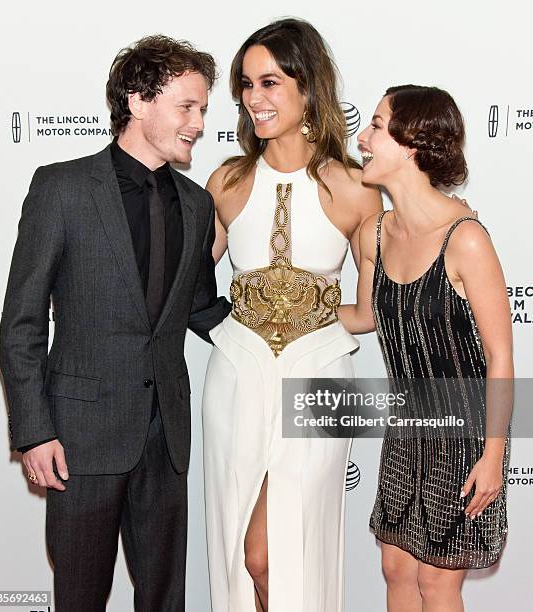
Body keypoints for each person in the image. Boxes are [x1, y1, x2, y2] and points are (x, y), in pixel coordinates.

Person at [0, 35, 230, 612]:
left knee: (164, 601)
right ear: (138, 101)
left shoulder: (198, 205)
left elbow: (202, 305)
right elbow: (23, 322)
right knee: (79, 597)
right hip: (79, 437)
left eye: (203, 109)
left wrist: (290, 332)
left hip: (165, 436)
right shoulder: (63, 188)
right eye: (187, 107)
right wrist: (33, 430)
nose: (199, 123)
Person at [202, 18, 382, 612]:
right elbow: (182, 283)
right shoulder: (226, 182)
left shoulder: (355, 188)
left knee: (275, 552)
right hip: (237, 375)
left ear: (308, 87)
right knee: (240, 553)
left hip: (321, 380)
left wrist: (322, 322)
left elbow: (375, 307)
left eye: (270, 82)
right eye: (247, 85)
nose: (255, 98)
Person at [340, 85, 511, 611]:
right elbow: (364, 316)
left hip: (464, 434)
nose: (362, 139)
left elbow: (501, 357)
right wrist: (280, 308)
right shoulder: (375, 233)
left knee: (438, 582)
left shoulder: (466, 238)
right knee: (395, 568)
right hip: (406, 427)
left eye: (374, 125)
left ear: (411, 142)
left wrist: (495, 454)